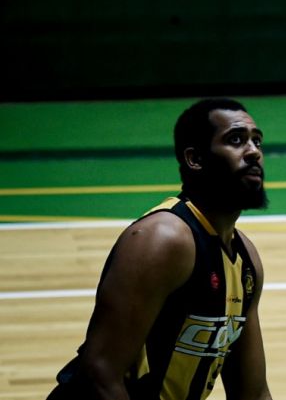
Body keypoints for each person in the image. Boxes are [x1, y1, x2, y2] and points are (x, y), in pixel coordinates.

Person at [47, 98, 273, 400]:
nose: (254, 151)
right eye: (235, 140)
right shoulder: (163, 239)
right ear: (195, 159)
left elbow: (253, 393)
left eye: (257, 141)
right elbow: (100, 373)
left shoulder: (246, 259)